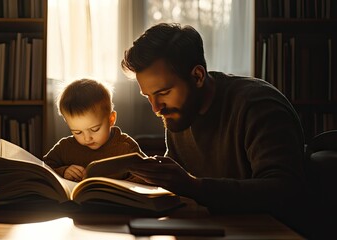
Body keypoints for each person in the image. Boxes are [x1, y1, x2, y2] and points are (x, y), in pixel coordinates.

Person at [121, 23, 310, 237]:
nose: (156, 108)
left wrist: (194, 186)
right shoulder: (179, 113)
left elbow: (284, 190)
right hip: (215, 230)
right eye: (148, 97)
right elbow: (181, 184)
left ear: (198, 76)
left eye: (163, 92)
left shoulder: (258, 105)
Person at [43, 78, 146, 182]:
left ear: (111, 119)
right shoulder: (65, 147)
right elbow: (43, 167)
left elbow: (148, 174)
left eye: (95, 129)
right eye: (77, 132)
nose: (87, 138)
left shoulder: (126, 147)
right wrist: (63, 171)